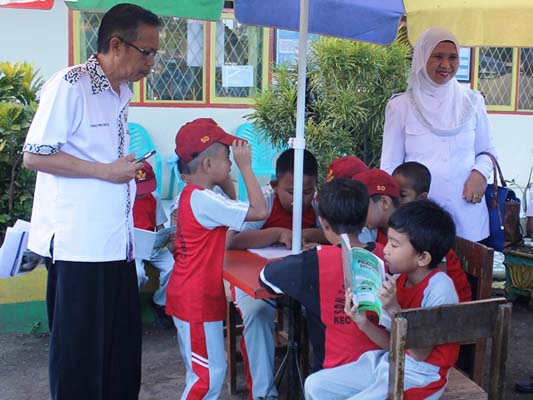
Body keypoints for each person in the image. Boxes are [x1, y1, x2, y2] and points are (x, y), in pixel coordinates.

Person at [22, 4, 160, 400]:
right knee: (80, 361)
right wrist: (105, 171)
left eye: (154, 54)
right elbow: (36, 154)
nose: (151, 63)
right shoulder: (70, 85)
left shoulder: (121, 91)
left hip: (117, 244)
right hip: (79, 247)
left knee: (120, 358)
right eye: (146, 51)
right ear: (116, 44)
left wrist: (121, 170)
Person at [304, 200, 459, 399]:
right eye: (388, 240)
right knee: (315, 385)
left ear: (423, 258)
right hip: (391, 361)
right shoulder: (398, 280)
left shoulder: (440, 288)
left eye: (394, 245)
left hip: (423, 376)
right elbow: (391, 344)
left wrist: (394, 310)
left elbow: (421, 354)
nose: (385, 250)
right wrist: (362, 323)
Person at [165, 118, 268, 400]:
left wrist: (226, 176)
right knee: (207, 380)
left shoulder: (196, 195)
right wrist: (247, 168)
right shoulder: (205, 200)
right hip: (196, 302)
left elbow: (232, 204)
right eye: (227, 158)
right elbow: (259, 211)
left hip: (193, 297)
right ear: (208, 165)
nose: (232, 163)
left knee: (205, 373)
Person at [380, 27, 498, 243]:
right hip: (420, 223)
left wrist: (480, 173)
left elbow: (487, 151)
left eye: (453, 57)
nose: (446, 65)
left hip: (468, 221)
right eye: (438, 56)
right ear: (422, 57)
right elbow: (389, 168)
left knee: (467, 276)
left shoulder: (472, 101)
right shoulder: (400, 106)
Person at [226, 148, 324, 400]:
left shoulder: (318, 206)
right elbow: (233, 240)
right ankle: (263, 393)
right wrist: (278, 232)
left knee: (326, 309)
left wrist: (306, 235)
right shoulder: (264, 202)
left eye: (308, 191)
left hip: (301, 280)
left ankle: (321, 382)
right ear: (274, 184)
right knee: (258, 312)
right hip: (254, 278)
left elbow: (333, 234)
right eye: (291, 192)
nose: (300, 199)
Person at [259, 179, 385, 373]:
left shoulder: (314, 261)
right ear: (365, 218)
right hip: (384, 364)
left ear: (324, 223)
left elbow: (265, 277)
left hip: (332, 370)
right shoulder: (385, 255)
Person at [392, 161, 472, 302]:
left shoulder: (428, 233)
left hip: (453, 310)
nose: (396, 201)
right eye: (394, 195)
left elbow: (436, 298)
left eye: (403, 195)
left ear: (421, 197)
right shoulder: (404, 227)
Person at [133, 163, 174, 329]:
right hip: (132, 249)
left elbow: (160, 226)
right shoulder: (122, 200)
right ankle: (129, 307)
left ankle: (160, 302)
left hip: (152, 245)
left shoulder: (153, 197)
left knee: (174, 266)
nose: (143, 194)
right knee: (138, 275)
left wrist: (164, 239)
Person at [352, 168, 401, 247]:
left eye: (361, 206)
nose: (357, 214)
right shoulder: (370, 232)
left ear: (385, 202)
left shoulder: (411, 234)